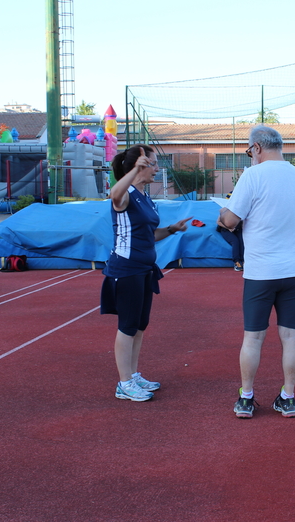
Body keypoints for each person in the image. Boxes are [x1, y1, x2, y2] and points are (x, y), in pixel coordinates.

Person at [219, 125, 295, 419]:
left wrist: (222, 212)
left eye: (249, 151)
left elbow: (231, 221)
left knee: (253, 337)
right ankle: (288, 397)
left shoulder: (252, 176)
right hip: (294, 269)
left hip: (260, 270)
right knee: (291, 336)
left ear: (256, 148)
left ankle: (246, 398)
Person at [100, 144, 191, 402]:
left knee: (140, 326)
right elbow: (114, 194)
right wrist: (134, 172)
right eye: (152, 163)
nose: (156, 169)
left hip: (144, 269)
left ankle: (133, 374)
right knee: (127, 326)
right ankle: (124, 382)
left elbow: (151, 234)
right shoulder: (126, 193)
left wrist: (172, 229)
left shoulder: (145, 197)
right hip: (126, 269)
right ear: (139, 165)